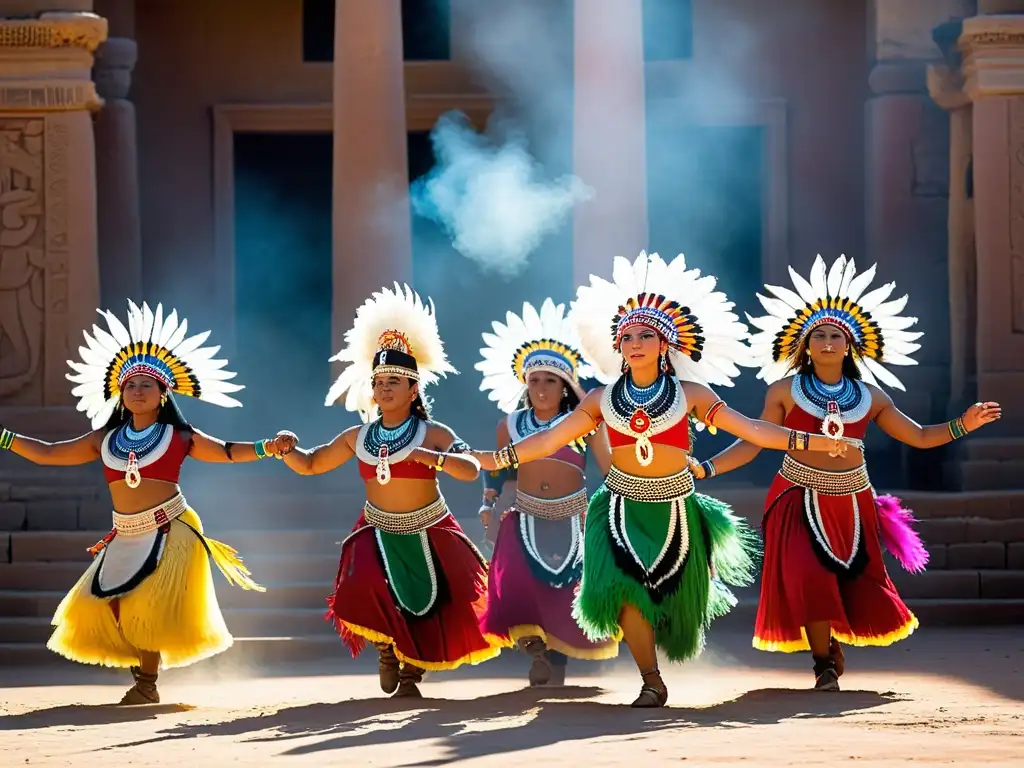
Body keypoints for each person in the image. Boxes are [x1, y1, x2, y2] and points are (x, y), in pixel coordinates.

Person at [468, 252, 846, 707]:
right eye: (627, 336)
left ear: (665, 344)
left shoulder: (690, 394)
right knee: (625, 595)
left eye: (646, 334)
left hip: (675, 508)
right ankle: (651, 680)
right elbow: (550, 440)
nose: (635, 343)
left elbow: (753, 430)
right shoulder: (600, 399)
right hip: (619, 507)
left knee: (670, 605)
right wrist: (497, 457)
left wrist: (809, 442)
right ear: (618, 346)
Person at [691, 254, 1001, 691]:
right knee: (807, 576)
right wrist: (706, 468)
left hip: (852, 500)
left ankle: (830, 646)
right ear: (804, 344)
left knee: (850, 582)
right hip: (795, 495)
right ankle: (823, 664)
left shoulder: (871, 396)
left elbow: (919, 437)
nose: (827, 341)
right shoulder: (783, 391)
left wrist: (963, 425)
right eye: (818, 334)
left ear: (852, 343)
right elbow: (754, 440)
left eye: (836, 334)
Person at [0, 300, 287, 704]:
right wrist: (4, 437)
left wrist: (268, 447)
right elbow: (49, 452)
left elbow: (225, 451)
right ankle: (143, 672)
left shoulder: (180, 436)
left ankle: (146, 684)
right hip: (125, 533)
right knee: (107, 606)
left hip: (171, 530)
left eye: (145, 385)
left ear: (163, 393)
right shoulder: (105, 438)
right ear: (120, 394)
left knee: (148, 606)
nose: (137, 391)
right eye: (130, 385)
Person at [276, 283, 502, 698]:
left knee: (435, 607)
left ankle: (412, 675)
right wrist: (287, 451)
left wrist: (431, 458)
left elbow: (470, 470)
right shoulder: (356, 436)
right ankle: (385, 648)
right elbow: (311, 464)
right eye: (379, 380)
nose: (384, 388)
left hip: (431, 527)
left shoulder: (434, 432)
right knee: (362, 585)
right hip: (376, 528)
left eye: (395, 380)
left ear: (413, 389)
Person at [474, 298, 617, 686]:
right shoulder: (510, 423)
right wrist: (488, 505)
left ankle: (556, 664)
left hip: (575, 515)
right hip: (523, 515)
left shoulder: (585, 422)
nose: (540, 388)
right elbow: (499, 472)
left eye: (550, 380)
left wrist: (610, 513)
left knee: (566, 594)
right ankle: (535, 651)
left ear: (565, 385)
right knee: (517, 581)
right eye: (534, 380)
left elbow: (610, 470)